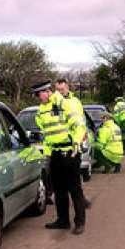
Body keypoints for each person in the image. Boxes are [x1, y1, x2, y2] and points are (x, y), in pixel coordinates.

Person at [33, 80, 87, 235]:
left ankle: (80, 222)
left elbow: (79, 126)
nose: (38, 98)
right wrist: (47, 154)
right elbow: (48, 135)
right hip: (55, 154)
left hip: (70, 151)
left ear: (47, 91)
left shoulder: (66, 104)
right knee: (59, 190)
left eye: (39, 94)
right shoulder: (41, 111)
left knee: (74, 189)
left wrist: (76, 143)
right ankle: (63, 220)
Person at [55, 78, 92, 209]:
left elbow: (80, 124)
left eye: (62, 89)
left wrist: (77, 141)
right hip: (58, 146)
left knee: (75, 181)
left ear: (68, 88)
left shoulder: (75, 102)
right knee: (61, 184)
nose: (60, 92)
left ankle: (81, 201)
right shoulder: (53, 103)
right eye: (58, 90)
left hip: (73, 145)